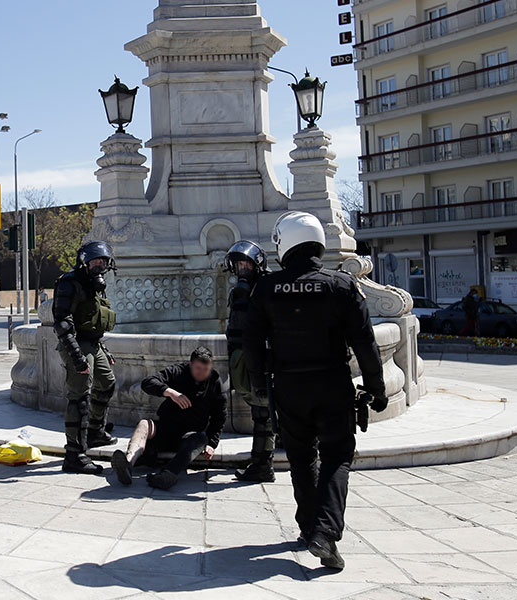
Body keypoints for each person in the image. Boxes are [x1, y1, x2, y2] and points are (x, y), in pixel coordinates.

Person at [244, 211, 386, 571]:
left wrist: (260, 385)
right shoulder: (340, 285)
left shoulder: (266, 287)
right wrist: (377, 388)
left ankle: (310, 529)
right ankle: (325, 532)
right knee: (337, 456)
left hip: (289, 386)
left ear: (284, 243)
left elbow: (252, 344)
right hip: (332, 383)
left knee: (301, 459)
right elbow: (366, 343)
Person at [111, 346, 226, 490]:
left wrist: (212, 443)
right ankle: (127, 464)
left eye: (206, 369)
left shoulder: (214, 382)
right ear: (190, 364)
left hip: (188, 437)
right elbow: (148, 382)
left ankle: (168, 475)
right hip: (165, 429)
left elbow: (219, 416)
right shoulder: (178, 371)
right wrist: (170, 393)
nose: (202, 373)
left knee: (202, 438)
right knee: (144, 424)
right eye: (198, 368)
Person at [53, 241, 119, 475]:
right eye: (95, 261)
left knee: (107, 383)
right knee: (79, 397)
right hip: (76, 344)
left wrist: (103, 349)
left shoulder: (95, 286)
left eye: (103, 262)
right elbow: (62, 322)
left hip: (93, 343)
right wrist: (77, 356)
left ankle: (95, 432)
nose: (99, 265)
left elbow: (93, 319)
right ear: (84, 262)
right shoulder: (70, 283)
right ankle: (74, 454)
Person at [223, 240, 274, 483]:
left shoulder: (266, 287)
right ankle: (264, 458)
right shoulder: (241, 290)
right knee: (261, 408)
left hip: (260, 356)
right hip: (242, 355)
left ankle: (263, 464)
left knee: (262, 412)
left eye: (246, 263)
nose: (242, 268)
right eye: (238, 264)